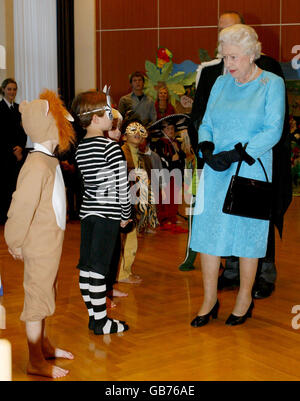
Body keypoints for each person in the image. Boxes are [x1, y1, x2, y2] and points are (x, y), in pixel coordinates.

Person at [184, 11, 292, 298]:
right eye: (225, 55)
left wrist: (238, 154)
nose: (227, 63)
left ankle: (252, 290)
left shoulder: (270, 77)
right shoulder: (216, 78)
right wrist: (205, 147)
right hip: (217, 169)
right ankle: (216, 292)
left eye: (233, 56)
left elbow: (274, 128)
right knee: (212, 230)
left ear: (250, 52)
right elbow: (202, 119)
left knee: (250, 232)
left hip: (251, 166)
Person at [4, 90, 76, 378]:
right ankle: (35, 359)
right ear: (48, 126)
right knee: (36, 298)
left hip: (50, 243)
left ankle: (43, 345)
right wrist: (15, 240)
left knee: (46, 292)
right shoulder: (36, 165)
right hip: (38, 244)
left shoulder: (48, 160)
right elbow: (21, 206)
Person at [73, 90, 131, 335]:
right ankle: (101, 322)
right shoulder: (111, 148)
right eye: (109, 113)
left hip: (88, 215)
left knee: (87, 267)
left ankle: (93, 317)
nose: (113, 117)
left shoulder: (80, 149)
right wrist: (125, 214)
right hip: (108, 216)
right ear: (96, 119)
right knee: (99, 269)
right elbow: (121, 186)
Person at [118, 117, 158, 283]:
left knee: (131, 239)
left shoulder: (143, 157)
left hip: (134, 203)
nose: (137, 134)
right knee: (126, 239)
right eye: (133, 131)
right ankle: (122, 273)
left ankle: (125, 271)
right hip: (122, 203)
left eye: (141, 132)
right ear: (124, 136)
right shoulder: (120, 153)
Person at [149, 114, 189, 232]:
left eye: (172, 128)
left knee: (174, 197)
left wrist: (178, 154)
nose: (170, 131)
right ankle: (165, 219)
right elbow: (161, 160)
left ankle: (172, 217)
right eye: (167, 129)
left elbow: (182, 156)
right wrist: (172, 160)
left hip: (176, 174)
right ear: (163, 131)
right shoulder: (160, 143)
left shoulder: (175, 142)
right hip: (167, 174)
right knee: (167, 198)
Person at [0, 78, 28, 224]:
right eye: (9, 89)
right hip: (4, 155)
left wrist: (21, 147)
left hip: (19, 154)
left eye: (14, 89)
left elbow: (24, 131)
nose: (12, 92)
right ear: (3, 90)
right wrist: (13, 150)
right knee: (4, 187)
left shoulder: (19, 109)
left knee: (16, 186)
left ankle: (14, 217)